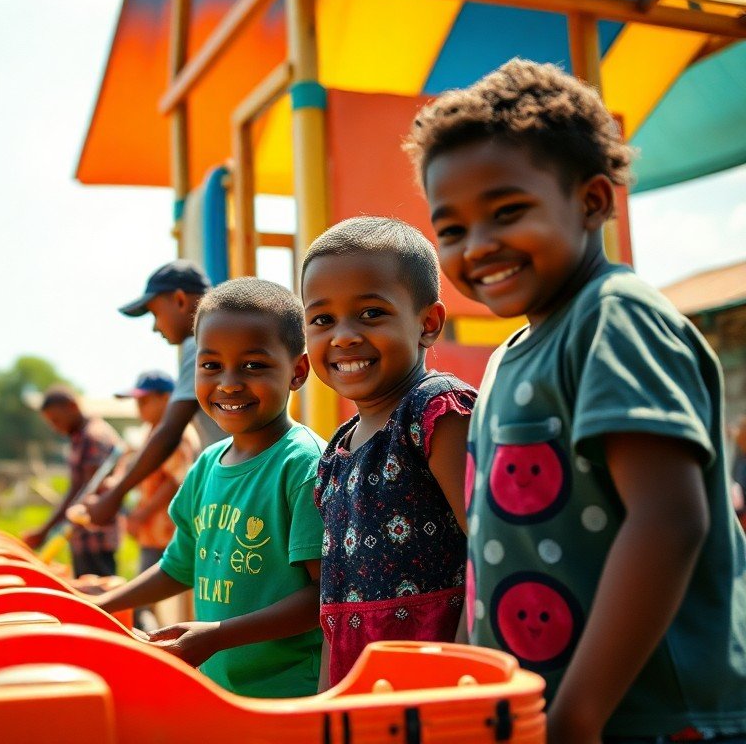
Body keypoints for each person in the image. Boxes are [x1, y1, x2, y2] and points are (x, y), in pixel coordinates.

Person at [410, 59, 746, 742]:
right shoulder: (509, 357)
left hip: (653, 718)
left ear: (592, 201)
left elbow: (669, 520)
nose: (480, 245)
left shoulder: (614, 319)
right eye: (452, 229)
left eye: (508, 212)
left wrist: (579, 712)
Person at [92, 278, 326, 698]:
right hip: (216, 689)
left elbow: (323, 597)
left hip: (287, 696)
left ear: (297, 371)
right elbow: (178, 566)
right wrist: (100, 607)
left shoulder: (304, 465)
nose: (229, 383)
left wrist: (217, 635)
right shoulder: (205, 466)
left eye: (253, 366)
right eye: (211, 365)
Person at [300, 216, 474, 688]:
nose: (343, 336)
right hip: (360, 688)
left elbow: (491, 549)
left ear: (428, 324)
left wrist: (464, 672)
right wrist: (326, 706)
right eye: (322, 319)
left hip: (438, 680)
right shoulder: (336, 453)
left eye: (371, 313)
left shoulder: (434, 413)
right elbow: (334, 605)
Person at [80, 260, 224, 528]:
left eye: (154, 314)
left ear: (180, 300)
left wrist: (114, 497)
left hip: (237, 481)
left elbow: (169, 432)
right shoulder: (223, 336)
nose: (155, 327)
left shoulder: (198, 343)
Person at [114, 370, 199, 630]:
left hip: (168, 532)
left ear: (166, 398)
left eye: (144, 401)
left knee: (146, 602)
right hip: (153, 531)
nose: (139, 407)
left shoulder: (175, 434)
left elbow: (175, 481)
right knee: (149, 604)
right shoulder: (154, 432)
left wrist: (142, 514)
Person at [23, 386, 123, 577]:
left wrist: (44, 531)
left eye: (56, 420)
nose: (55, 427)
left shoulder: (92, 437)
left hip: (95, 535)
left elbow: (84, 490)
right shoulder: (81, 437)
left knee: (97, 590)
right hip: (83, 536)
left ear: (72, 407)